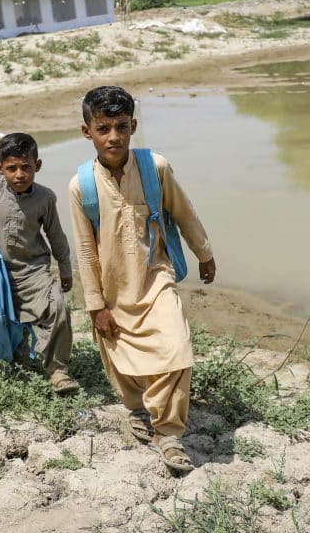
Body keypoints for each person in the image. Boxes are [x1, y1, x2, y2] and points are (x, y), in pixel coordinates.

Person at [68, 86, 216, 473]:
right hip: (113, 289)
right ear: (87, 132)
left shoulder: (156, 168)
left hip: (156, 278)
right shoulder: (80, 186)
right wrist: (96, 305)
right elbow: (85, 250)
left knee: (178, 348)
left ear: (133, 126)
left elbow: (184, 213)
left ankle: (167, 433)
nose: (113, 136)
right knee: (121, 356)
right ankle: (136, 408)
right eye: (103, 128)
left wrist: (205, 253)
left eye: (121, 126)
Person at [0, 132, 78, 393]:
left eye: (26, 167)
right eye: (11, 168)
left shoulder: (45, 198)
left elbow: (56, 235)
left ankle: (57, 370)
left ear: (38, 166)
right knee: (4, 320)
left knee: (57, 309)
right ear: (0, 169)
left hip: (34, 269)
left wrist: (65, 268)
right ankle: (18, 358)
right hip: (0, 269)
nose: (19, 175)